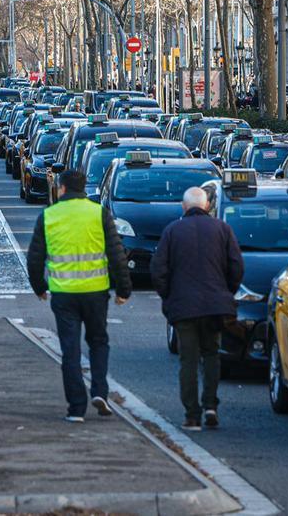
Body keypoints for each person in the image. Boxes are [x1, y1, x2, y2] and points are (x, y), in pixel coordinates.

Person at [27, 169, 132, 423]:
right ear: (84, 188)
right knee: (98, 342)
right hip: (96, 291)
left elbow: (35, 257)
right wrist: (123, 289)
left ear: (61, 188)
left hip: (63, 294)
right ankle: (100, 392)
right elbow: (117, 254)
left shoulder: (49, 216)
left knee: (70, 350)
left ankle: (76, 408)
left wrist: (39, 287)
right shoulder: (99, 213)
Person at [150, 186, 244, 431]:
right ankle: (211, 405)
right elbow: (236, 267)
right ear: (207, 207)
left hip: (184, 307)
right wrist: (226, 293)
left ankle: (192, 415)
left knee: (188, 360)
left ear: (184, 207)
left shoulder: (172, 231)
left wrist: (169, 296)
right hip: (214, 306)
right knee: (211, 355)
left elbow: (158, 270)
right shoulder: (223, 229)